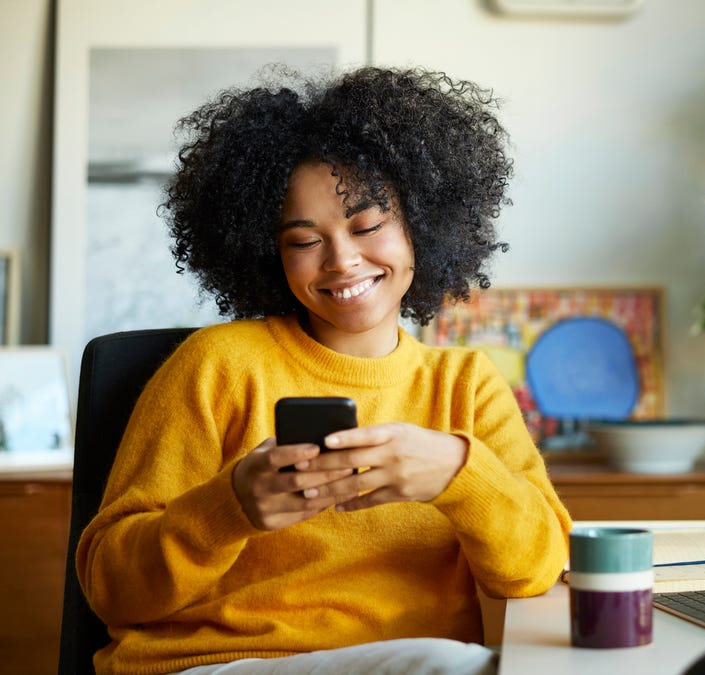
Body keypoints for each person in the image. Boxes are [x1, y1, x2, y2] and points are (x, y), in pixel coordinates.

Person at [76, 65, 572, 675]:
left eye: (367, 225)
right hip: (215, 664)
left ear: (423, 226)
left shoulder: (465, 385)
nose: (342, 260)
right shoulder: (218, 364)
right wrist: (229, 508)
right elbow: (110, 588)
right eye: (304, 241)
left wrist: (459, 476)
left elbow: (540, 566)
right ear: (267, 251)